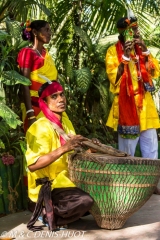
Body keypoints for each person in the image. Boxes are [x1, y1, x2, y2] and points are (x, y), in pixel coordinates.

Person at [25, 80, 94, 231]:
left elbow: (73, 152)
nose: (61, 99)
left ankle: (62, 209)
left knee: (101, 196)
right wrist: (64, 148)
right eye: (54, 97)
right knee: (85, 201)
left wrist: (89, 148)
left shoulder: (66, 123)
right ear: (44, 101)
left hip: (67, 181)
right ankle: (45, 211)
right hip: (49, 186)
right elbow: (33, 165)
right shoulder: (39, 127)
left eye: (62, 94)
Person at [105, 16, 160, 193]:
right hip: (126, 105)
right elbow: (114, 77)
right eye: (132, 32)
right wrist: (126, 57)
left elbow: (155, 71)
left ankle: (150, 184)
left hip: (145, 104)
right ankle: (128, 184)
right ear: (122, 34)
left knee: (151, 146)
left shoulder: (141, 50)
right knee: (127, 149)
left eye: (136, 31)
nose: (135, 35)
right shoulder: (113, 52)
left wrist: (145, 52)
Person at [17, 19, 58, 132]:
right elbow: (24, 84)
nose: (50, 33)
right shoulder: (27, 52)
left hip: (53, 106)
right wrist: (30, 115)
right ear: (35, 32)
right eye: (46, 30)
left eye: (50, 30)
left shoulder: (46, 54)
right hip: (35, 107)